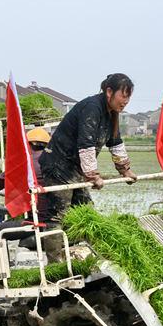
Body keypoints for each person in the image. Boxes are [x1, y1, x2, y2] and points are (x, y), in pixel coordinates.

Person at [38, 73, 138, 227]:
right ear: (109, 92)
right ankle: (55, 251)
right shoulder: (92, 107)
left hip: (75, 168)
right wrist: (92, 176)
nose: (125, 102)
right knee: (58, 215)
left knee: (86, 212)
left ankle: (77, 248)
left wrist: (125, 170)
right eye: (123, 96)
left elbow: (115, 142)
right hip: (58, 166)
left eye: (128, 98)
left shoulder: (112, 113)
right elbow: (86, 144)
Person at [0, 127, 50, 240]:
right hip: (54, 218)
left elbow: (1, 180)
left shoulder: (26, 163)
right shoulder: (55, 160)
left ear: (27, 144)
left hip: (37, 221)